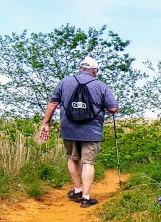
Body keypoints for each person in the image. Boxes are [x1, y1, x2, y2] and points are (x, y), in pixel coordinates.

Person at [39, 56, 119, 208]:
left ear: (81, 68)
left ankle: (76, 191)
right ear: (94, 70)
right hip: (91, 130)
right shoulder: (101, 85)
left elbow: (53, 102)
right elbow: (113, 108)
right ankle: (86, 198)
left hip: (69, 128)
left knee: (73, 158)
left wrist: (46, 123)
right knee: (88, 162)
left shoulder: (64, 82)